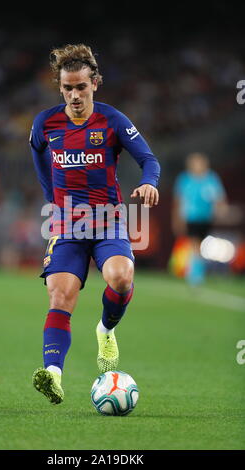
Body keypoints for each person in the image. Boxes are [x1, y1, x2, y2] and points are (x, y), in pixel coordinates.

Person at [29, 44, 160, 404]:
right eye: (67, 88)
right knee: (60, 294)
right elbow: (42, 165)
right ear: (60, 87)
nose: (74, 95)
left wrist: (149, 181)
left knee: (121, 277)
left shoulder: (113, 120)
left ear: (95, 84)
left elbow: (149, 160)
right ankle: (53, 374)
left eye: (81, 87)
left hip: (108, 221)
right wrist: (53, 203)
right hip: (67, 225)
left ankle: (105, 329)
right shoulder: (45, 124)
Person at [172, 152, 227, 286]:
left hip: (207, 217)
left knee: (200, 245)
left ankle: (196, 271)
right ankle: (195, 275)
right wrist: (177, 218)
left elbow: (219, 197)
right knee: (194, 243)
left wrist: (221, 208)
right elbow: (178, 200)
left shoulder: (211, 178)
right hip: (191, 217)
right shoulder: (184, 179)